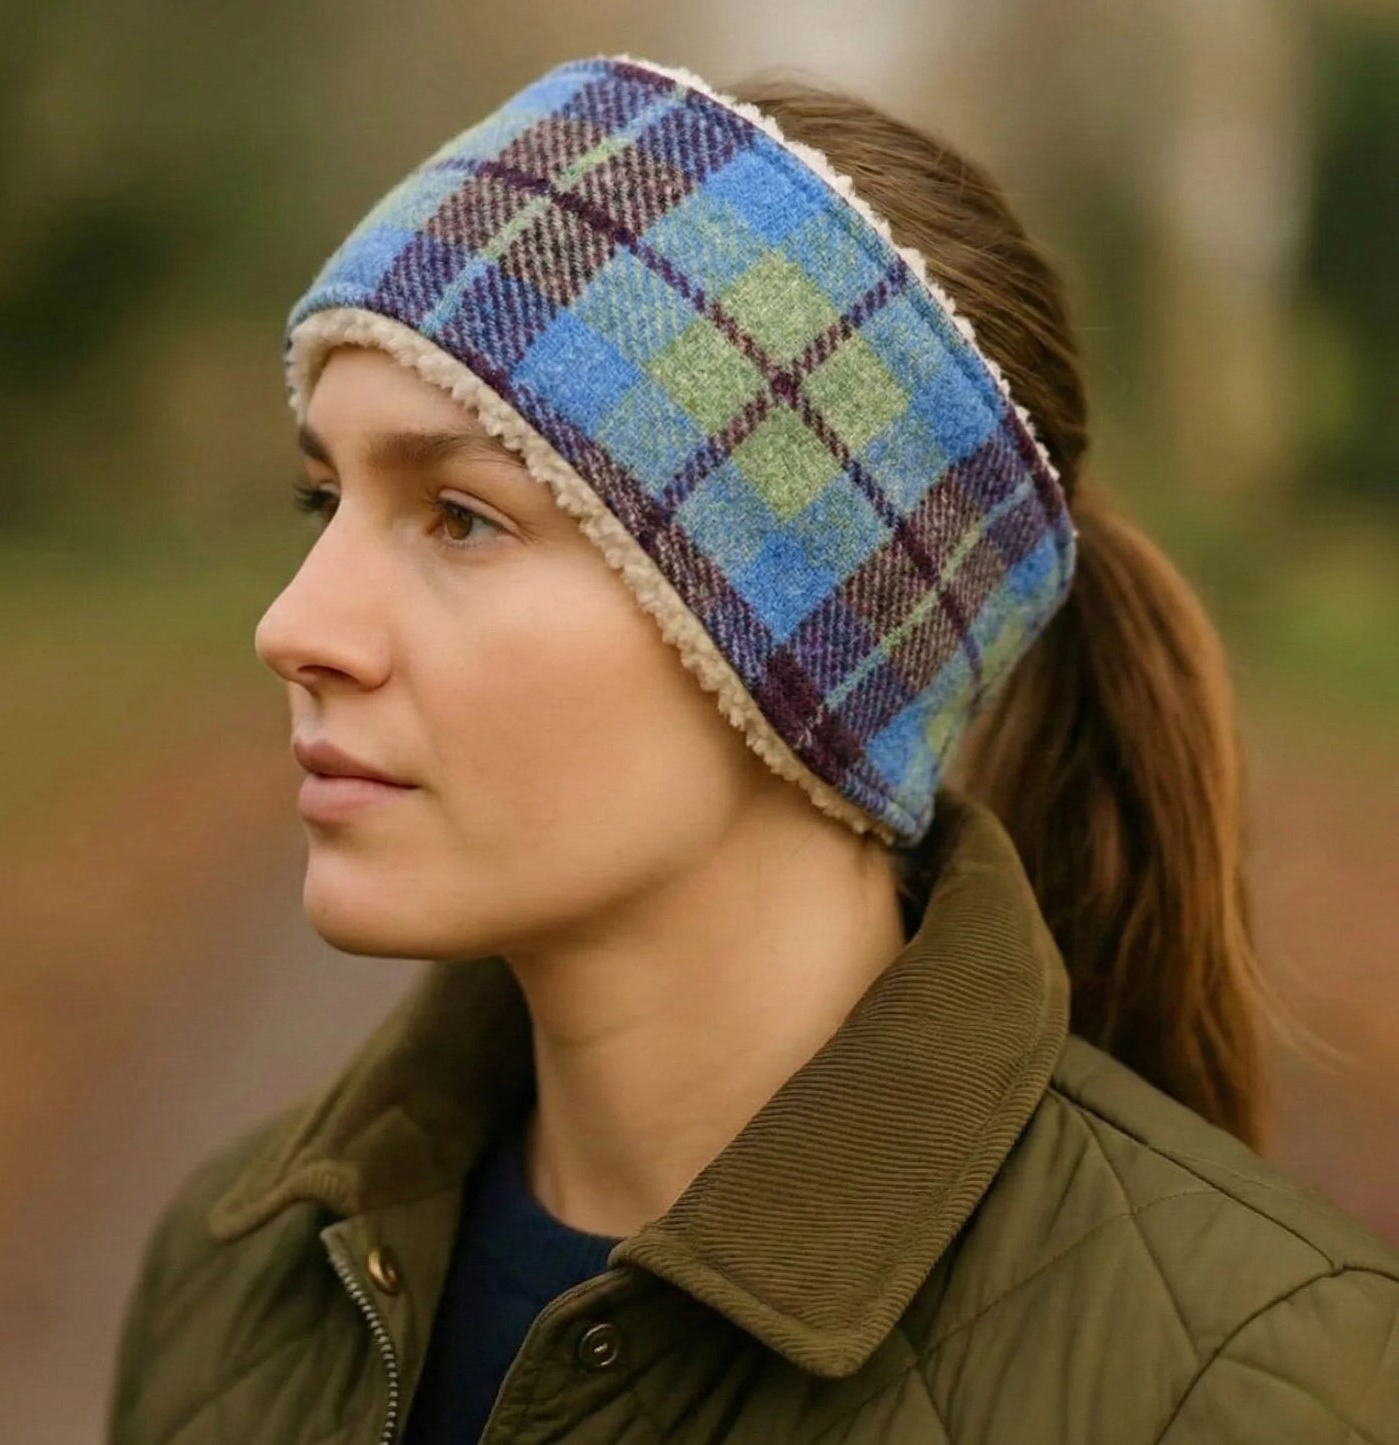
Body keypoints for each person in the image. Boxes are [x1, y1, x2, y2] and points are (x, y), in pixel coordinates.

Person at [106, 54, 1399, 1444]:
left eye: (461, 516)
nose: (297, 625)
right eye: (324, 498)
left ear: (812, 645)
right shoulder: (241, 1271)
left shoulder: (1243, 1384)